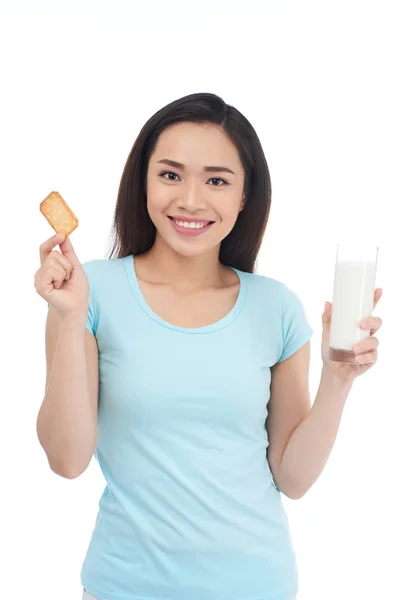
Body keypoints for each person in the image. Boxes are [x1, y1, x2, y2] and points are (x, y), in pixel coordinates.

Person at [35, 92, 382, 600]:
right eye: (170, 175)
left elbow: (293, 478)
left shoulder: (278, 308)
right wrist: (67, 321)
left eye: (217, 180)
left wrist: (338, 380)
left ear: (244, 195)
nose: (191, 200)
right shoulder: (88, 294)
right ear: (143, 182)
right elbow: (66, 461)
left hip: (257, 586)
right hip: (124, 587)